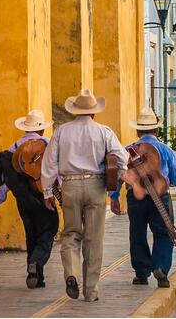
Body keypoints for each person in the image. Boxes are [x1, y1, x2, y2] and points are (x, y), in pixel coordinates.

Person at [41, 89, 129, 303]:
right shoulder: (103, 131)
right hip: (95, 185)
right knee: (94, 238)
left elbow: (50, 163)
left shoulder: (62, 131)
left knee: (71, 234)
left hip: (69, 185)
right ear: (94, 113)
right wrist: (118, 174)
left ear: (75, 111)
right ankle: (90, 291)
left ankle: (71, 273)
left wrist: (46, 191)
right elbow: (121, 156)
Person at [110, 107, 176, 289]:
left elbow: (119, 173)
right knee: (163, 233)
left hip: (135, 197)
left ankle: (141, 273)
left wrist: (114, 197)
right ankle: (160, 267)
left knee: (137, 233)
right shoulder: (164, 150)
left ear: (138, 131)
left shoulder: (128, 150)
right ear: (157, 130)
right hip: (160, 196)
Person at [0, 109, 59, 289]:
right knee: (49, 231)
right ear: (41, 129)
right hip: (43, 196)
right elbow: (56, 173)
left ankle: (35, 276)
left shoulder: (14, 148)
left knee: (31, 234)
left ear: (25, 129)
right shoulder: (47, 144)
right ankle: (37, 261)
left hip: (23, 200)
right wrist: (60, 193)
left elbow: (9, 181)